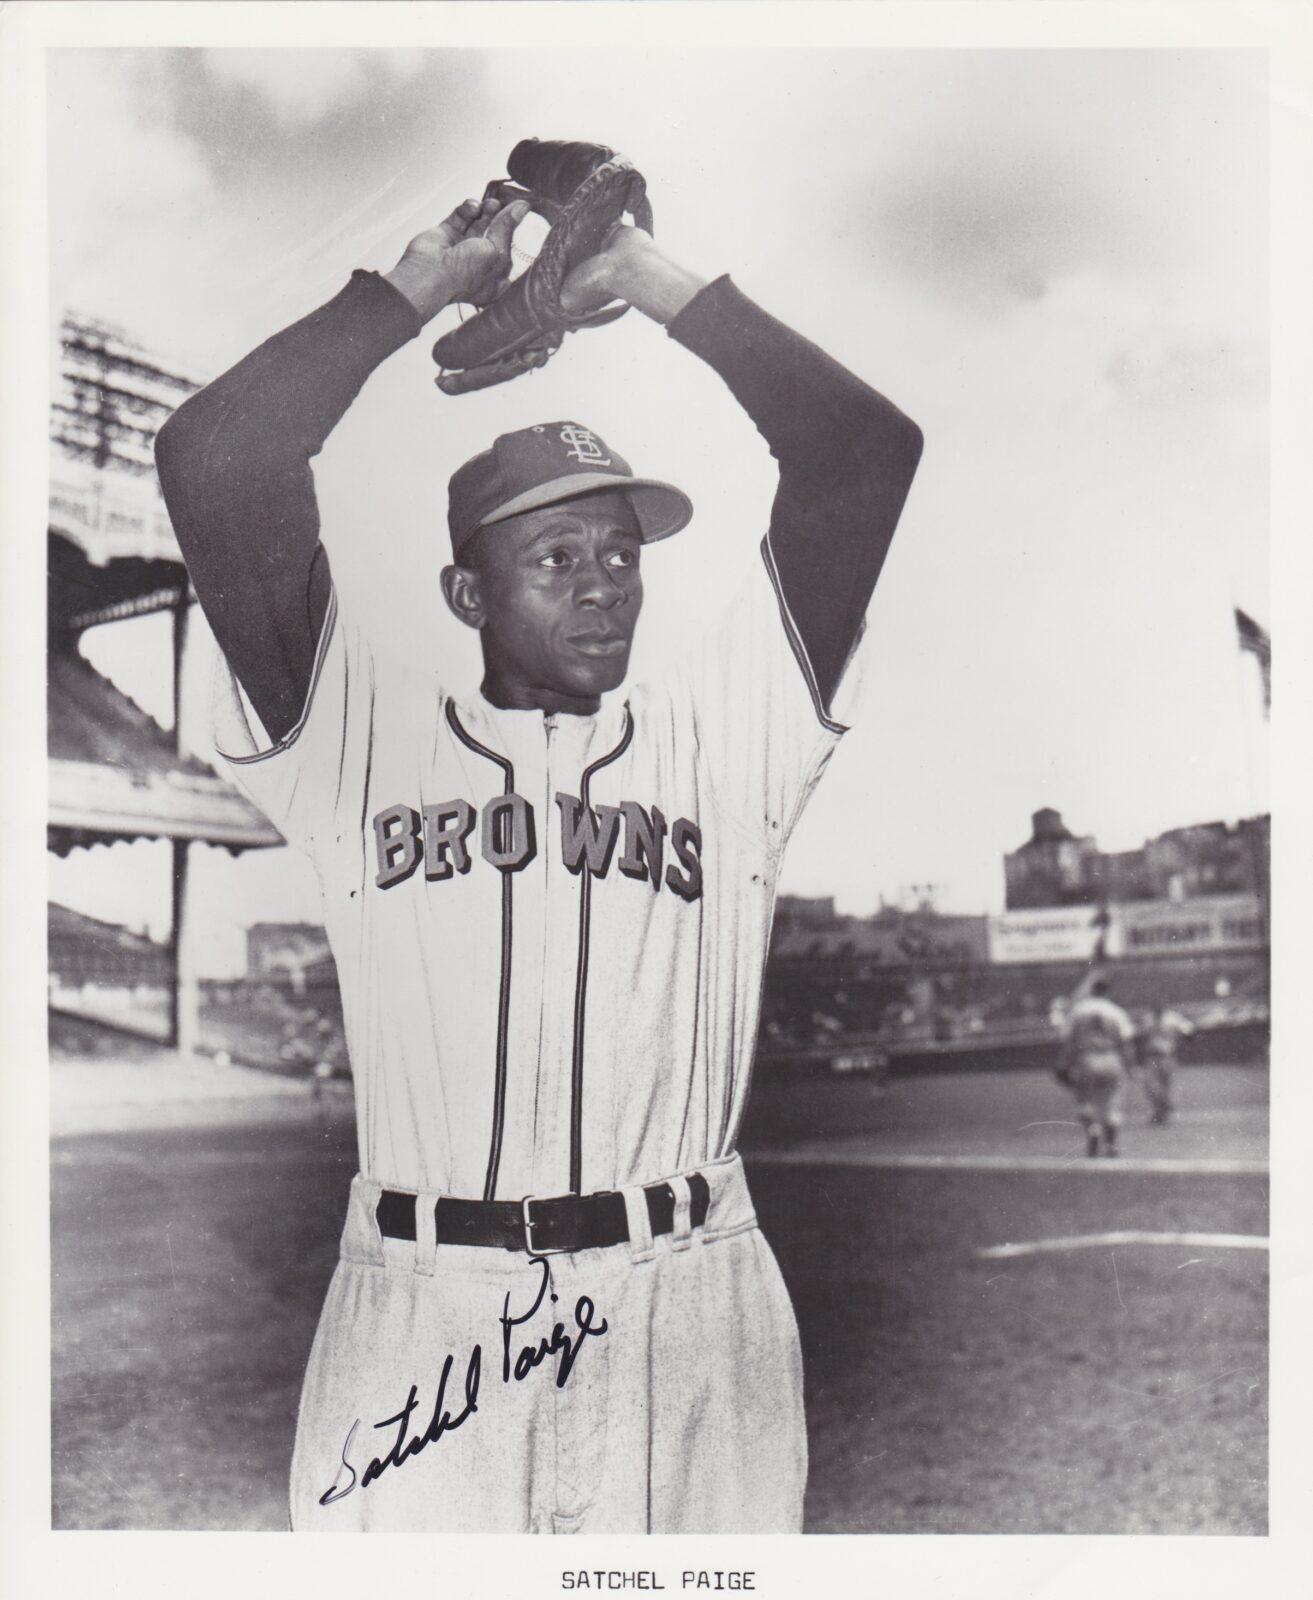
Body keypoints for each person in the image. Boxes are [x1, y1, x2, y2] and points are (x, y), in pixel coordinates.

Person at [154, 185, 922, 1533]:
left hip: (686, 1297)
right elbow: (217, 460)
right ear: (466, 593)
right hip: (418, 1309)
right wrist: (416, 289)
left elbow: (861, 446)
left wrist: (625, 263)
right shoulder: (356, 731)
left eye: (621, 551)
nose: (603, 577)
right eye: (557, 549)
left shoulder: (726, 728)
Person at [1056, 975, 1136, 1158]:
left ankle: (1093, 1130)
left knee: (1085, 1101)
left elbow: (1068, 1041)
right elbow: (1126, 1043)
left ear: (1092, 990)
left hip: (1086, 1059)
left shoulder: (1078, 1010)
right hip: (1111, 1058)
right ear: (1107, 991)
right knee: (1113, 1102)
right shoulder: (1116, 1011)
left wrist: (1063, 1063)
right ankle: (1111, 1144)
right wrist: (1130, 1067)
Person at [1137, 1005, 1194, 1125]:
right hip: (1151, 1056)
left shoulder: (1173, 1018)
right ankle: (1163, 1108)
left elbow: (1189, 1031)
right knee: (1150, 1086)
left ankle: (1161, 1114)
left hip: (1167, 1055)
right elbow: (1139, 1036)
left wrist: (1181, 1044)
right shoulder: (1148, 1019)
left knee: (1167, 1085)